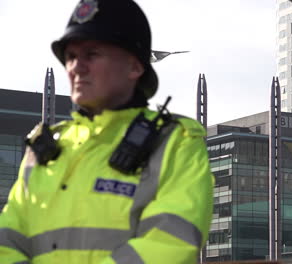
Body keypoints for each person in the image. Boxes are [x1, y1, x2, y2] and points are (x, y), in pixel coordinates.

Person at [0, 0, 214, 263]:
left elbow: (170, 242)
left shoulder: (174, 143)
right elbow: (6, 242)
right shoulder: (44, 149)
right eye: (71, 57)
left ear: (136, 67)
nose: (76, 67)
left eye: (92, 54)